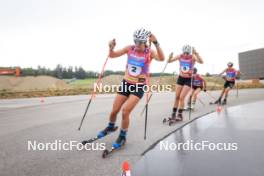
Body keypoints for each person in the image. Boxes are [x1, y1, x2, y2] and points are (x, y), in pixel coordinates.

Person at [97, 28, 165, 149]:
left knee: (125, 111)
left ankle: (122, 136)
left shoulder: (150, 52)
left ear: (145, 42)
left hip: (138, 86)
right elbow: (112, 55)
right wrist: (111, 47)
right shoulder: (129, 49)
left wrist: (156, 43)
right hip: (126, 83)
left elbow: (162, 58)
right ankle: (111, 126)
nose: (137, 44)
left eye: (140, 42)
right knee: (114, 110)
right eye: (135, 41)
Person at [168, 45, 203, 121]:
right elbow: (169, 61)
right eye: (185, 53)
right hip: (180, 78)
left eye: (187, 53)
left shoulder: (192, 57)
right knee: (176, 97)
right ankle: (173, 114)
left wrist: (196, 54)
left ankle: (180, 115)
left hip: (188, 79)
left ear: (189, 52)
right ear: (182, 52)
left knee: (181, 97)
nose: (186, 54)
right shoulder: (180, 56)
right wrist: (169, 57)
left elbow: (201, 62)